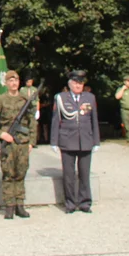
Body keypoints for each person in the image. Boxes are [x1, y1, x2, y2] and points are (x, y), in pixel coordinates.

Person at [0, 70, 34, 219]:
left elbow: (32, 121)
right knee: (8, 174)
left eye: (16, 80)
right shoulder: (0, 100)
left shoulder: (25, 99)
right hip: (8, 142)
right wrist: (0, 133)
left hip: (23, 142)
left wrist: (32, 141)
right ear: (6, 83)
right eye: (10, 81)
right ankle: (9, 206)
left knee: (21, 173)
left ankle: (20, 205)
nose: (14, 83)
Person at [50, 71, 99, 213]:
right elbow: (55, 120)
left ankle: (85, 203)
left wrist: (96, 141)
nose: (78, 85)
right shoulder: (61, 98)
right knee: (69, 175)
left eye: (81, 83)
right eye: (76, 83)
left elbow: (93, 120)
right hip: (67, 140)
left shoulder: (90, 98)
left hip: (85, 140)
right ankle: (70, 203)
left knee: (84, 174)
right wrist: (54, 141)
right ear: (70, 84)